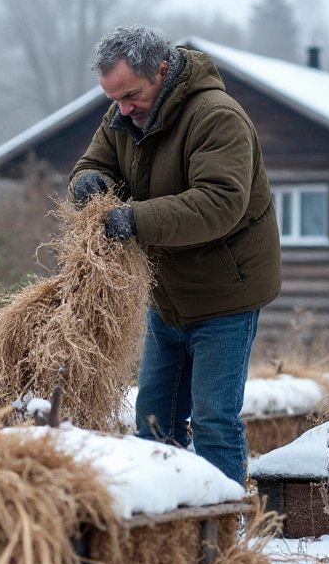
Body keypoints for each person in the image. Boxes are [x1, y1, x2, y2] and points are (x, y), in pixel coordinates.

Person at [70, 25, 281, 486]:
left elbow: (220, 202)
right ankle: (167, 524)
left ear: (162, 71)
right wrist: (85, 183)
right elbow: (93, 163)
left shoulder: (217, 117)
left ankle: (225, 526)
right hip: (165, 296)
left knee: (212, 421)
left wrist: (136, 220)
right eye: (113, 98)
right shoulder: (124, 113)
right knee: (152, 420)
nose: (121, 108)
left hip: (224, 294)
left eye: (130, 95)